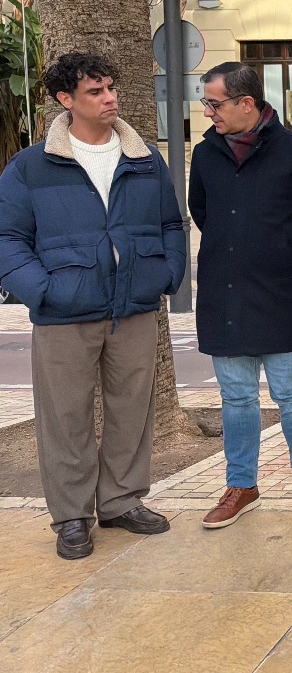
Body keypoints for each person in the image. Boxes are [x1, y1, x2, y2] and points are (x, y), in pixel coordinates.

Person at [0, 53, 185, 559]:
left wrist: (166, 273)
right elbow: (8, 238)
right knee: (65, 417)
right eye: (95, 92)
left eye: (111, 89)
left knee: (132, 411)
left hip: (134, 307)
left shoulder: (144, 158)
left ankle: (122, 500)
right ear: (66, 101)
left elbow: (172, 222)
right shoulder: (32, 167)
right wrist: (45, 290)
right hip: (64, 312)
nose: (109, 99)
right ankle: (73, 516)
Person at [189, 62, 292, 529]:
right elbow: (203, 211)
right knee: (235, 398)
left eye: (214, 103)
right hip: (223, 294)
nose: (208, 112)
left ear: (246, 104)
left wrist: (288, 256)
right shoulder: (205, 154)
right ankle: (241, 485)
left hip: (281, 294)